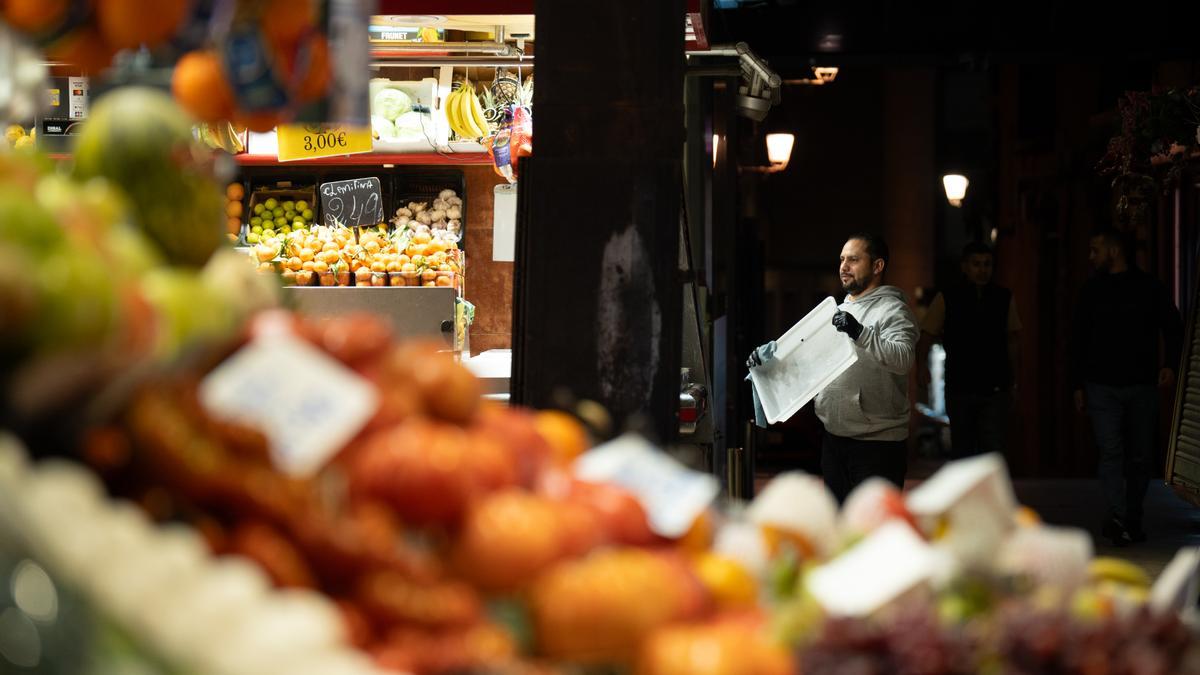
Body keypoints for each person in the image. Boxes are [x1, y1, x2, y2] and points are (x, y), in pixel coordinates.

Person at [748, 233, 918, 502]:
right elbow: (807, 365)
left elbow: (903, 359)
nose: (843, 266)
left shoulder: (894, 310)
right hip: (834, 440)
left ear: (877, 266)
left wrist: (860, 332)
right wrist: (768, 362)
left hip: (878, 446)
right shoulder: (837, 311)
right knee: (839, 530)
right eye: (841, 259)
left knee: (872, 532)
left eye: (853, 259)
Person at [1071, 228, 1182, 546]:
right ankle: (1120, 515)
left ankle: (1131, 515)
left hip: (1140, 383)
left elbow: (1173, 327)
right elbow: (1077, 338)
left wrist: (1170, 364)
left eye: (1096, 249)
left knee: (1140, 455)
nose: (1091, 256)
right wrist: (1078, 384)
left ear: (1114, 251)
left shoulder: (1149, 288)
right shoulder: (1092, 290)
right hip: (1101, 384)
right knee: (1112, 450)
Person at [916, 241, 1021, 459]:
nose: (982, 270)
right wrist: (921, 367)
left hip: (994, 385)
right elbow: (926, 334)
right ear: (965, 266)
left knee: (991, 449)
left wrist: (1014, 377)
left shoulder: (1003, 297)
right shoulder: (948, 297)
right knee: (964, 448)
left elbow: (1013, 340)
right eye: (976, 264)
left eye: (987, 264)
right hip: (961, 385)